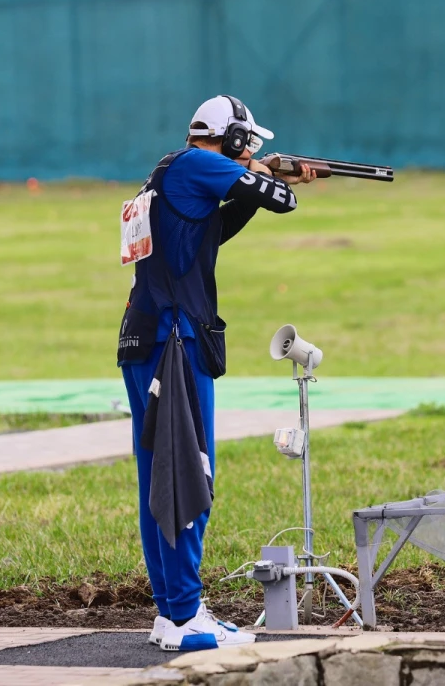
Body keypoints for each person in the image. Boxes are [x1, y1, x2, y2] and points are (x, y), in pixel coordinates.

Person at [117, 95, 315, 651]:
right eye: (247, 142)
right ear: (228, 140)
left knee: (161, 475)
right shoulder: (200, 165)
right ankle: (186, 619)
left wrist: (253, 182)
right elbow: (282, 201)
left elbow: (209, 232)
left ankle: (170, 613)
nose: (252, 151)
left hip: (145, 339)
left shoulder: (170, 174)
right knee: (187, 473)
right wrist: (277, 177)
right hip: (174, 343)